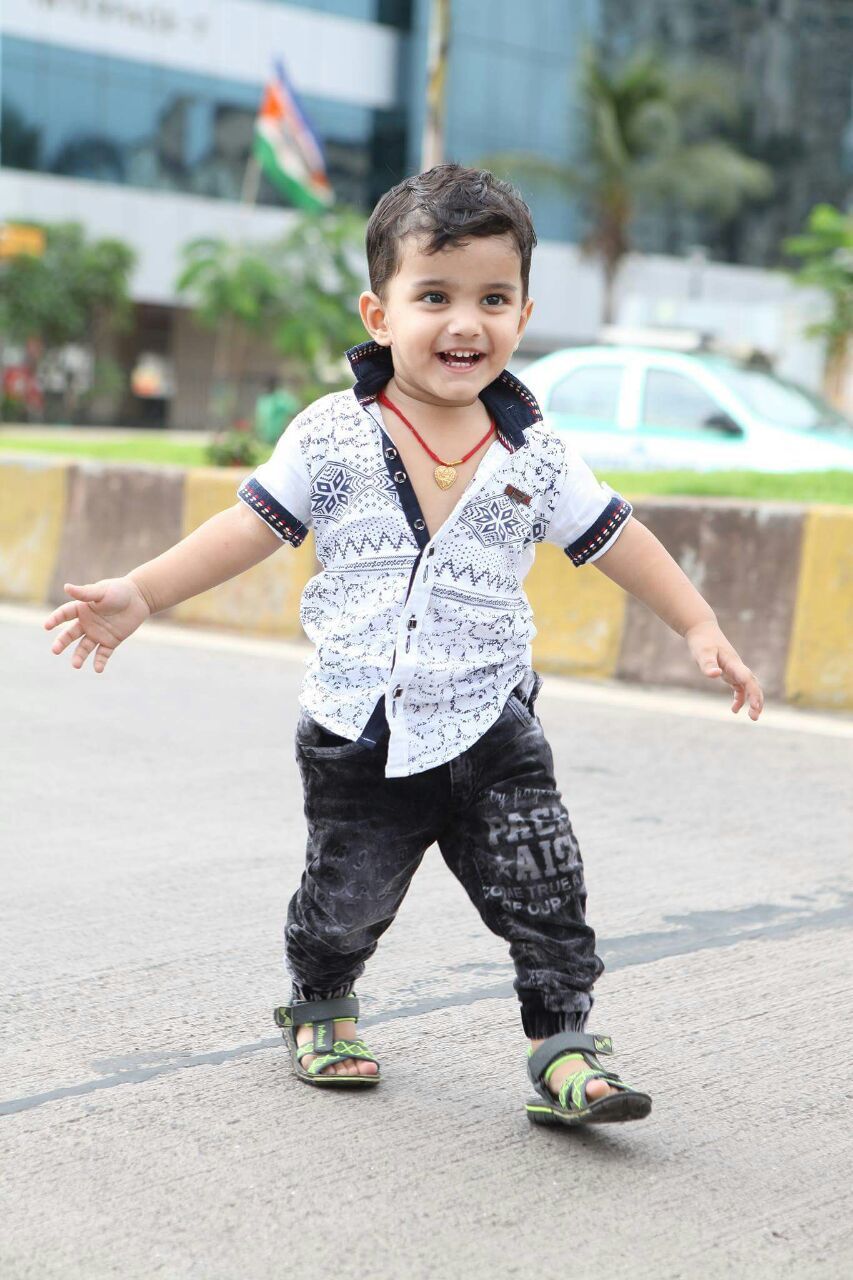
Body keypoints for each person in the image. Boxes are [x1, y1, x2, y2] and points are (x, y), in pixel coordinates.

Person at [44, 165, 763, 1128]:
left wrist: (698, 623)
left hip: (491, 721)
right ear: (379, 314)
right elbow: (247, 527)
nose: (465, 323)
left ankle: (563, 1045)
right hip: (360, 726)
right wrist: (141, 591)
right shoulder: (329, 436)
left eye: (492, 299)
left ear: (523, 314)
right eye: (434, 297)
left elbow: (617, 538)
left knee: (547, 888)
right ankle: (321, 1006)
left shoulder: (538, 452)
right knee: (346, 900)